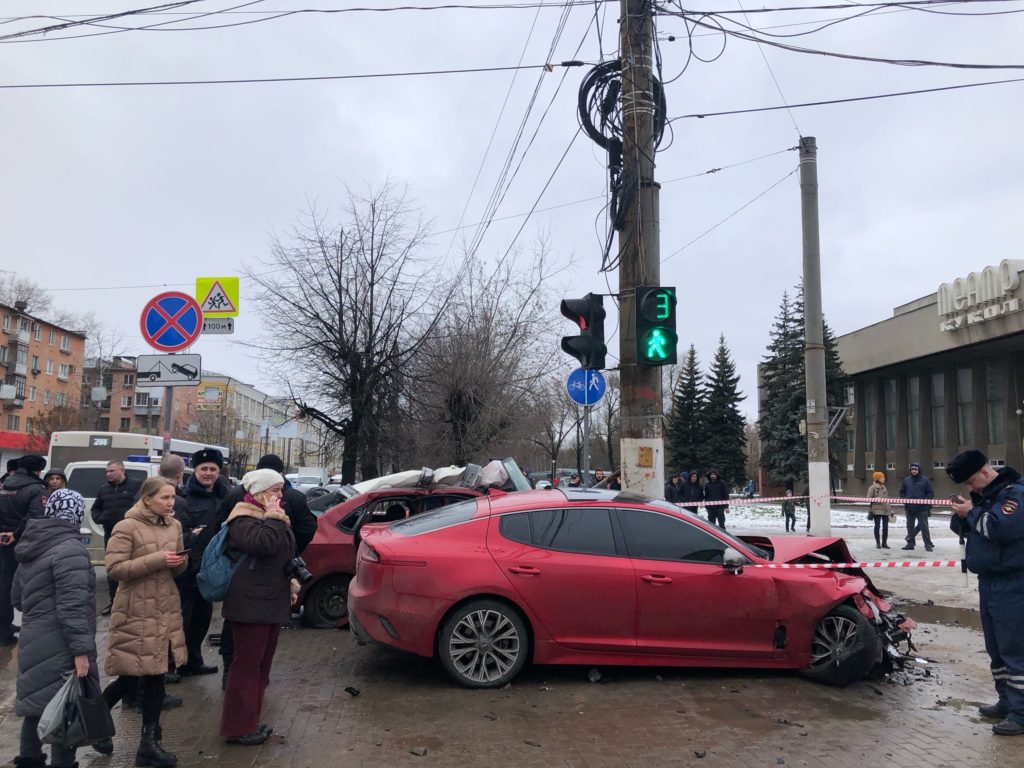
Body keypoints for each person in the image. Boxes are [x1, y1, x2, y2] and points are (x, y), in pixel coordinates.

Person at [100, 476, 187, 767]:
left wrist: (179, 562)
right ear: (147, 499)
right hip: (135, 610)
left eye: (172, 498)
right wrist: (158, 559)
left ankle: (149, 744)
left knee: (156, 677)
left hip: (164, 608)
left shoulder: (174, 525)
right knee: (130, 678)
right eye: (164, 498)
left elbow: (175, 567)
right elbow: (115, 568)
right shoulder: (126, 527)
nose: (170, 503)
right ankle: (96, 721)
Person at [11, 489, 99, 768]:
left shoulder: (31, 544)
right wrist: (81, 651)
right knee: (66, 708)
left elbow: (17, 600)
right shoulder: (71, 550)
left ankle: (29, 760)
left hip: (33, 637)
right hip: (63, 643)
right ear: (76, 515)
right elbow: (73, 607)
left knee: (36, 708)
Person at [215, 454, 316, 687]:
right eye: (276, 490)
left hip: (256, 585)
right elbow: (303, 529)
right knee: (248, 653)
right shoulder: (245, 512)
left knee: (246, 644)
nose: (280, 496)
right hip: (251, 588)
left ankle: (234, 676)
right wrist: (288, 548)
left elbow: (216, 527)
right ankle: (238, 689)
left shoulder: (238, 496)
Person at [947, 449, 1024, 737]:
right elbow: (968, 528)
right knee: (997, 649)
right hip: (990, 581)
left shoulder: (1013, 494)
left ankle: (1021, 713)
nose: (969, 488)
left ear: (985, 471)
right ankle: (1006, 702)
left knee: (1015, 650)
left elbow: (998, 529)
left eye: (969, 482)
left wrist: (972, 512)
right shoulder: (988, 497)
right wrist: (964, 514)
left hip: (1013, 582)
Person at [220, 469, 298, 746]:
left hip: (269, 601)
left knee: (262, 666)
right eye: (275, 490)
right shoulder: (242, 517)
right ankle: (237, 727)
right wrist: (275, 516)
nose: (280, 496)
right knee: (246, 666)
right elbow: (263, 545)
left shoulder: (267, 517)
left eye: (281, 490)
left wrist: (291, 582)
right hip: (250, 603)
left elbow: (283, 551)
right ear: (259, 492)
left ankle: (250, 720)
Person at [173, 448, 229, 677]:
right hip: (187, 571)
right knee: (182, 620)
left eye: (212, 469)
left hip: (211, 570)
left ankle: (194, 660)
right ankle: (176, 664)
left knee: (202, 619)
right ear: (194, 471)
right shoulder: (183, 498)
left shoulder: (225, 497)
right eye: (203, 469)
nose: (208, 473)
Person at [0, 454, 47, 645]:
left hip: (2, 542)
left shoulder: (4, 485)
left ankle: (3, 632)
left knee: (3, 588)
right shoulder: (36, 489)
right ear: (36, 470)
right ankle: (32, 632)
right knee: (31, 587)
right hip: (25, 544)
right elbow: (36, 517)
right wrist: (16, 533)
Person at [92, 460, 142, 615]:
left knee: (132, 569)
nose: (108, 474)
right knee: (112, 570)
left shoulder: (136, 486)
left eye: (112, 471)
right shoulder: (104, 489)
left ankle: (133, 604)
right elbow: (96, 508)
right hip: (111, 535)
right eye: (107, 471)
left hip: (132, 535)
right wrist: (100, 518)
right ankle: (114, 603)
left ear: (122, 470)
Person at [900, 462, 935, 552]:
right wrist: (904, 500)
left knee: (924, 527)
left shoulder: (925, 480)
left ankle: (927, 544)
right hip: (909, 508)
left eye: (915, 469)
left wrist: (924, 502)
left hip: (922, 508)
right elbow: (902, 491)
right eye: (912, 469)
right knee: (909, 526)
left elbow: (930, 493)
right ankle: (910, 544)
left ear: (919, 470)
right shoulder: (906, 480)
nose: (914, 471)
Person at [866, 471, 893, 549]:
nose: (884, 479)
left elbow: (887, 499)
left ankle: (884, 543)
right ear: (878, 479)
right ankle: (878, 543)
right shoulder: (872, 488)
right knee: (877, 526)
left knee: (886, 527)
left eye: (883, 477)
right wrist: (875, 499)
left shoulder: (884, 487)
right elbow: (868, 499)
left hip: (885, 510)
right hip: (876, 510)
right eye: (882, 477)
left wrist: (890, 510)